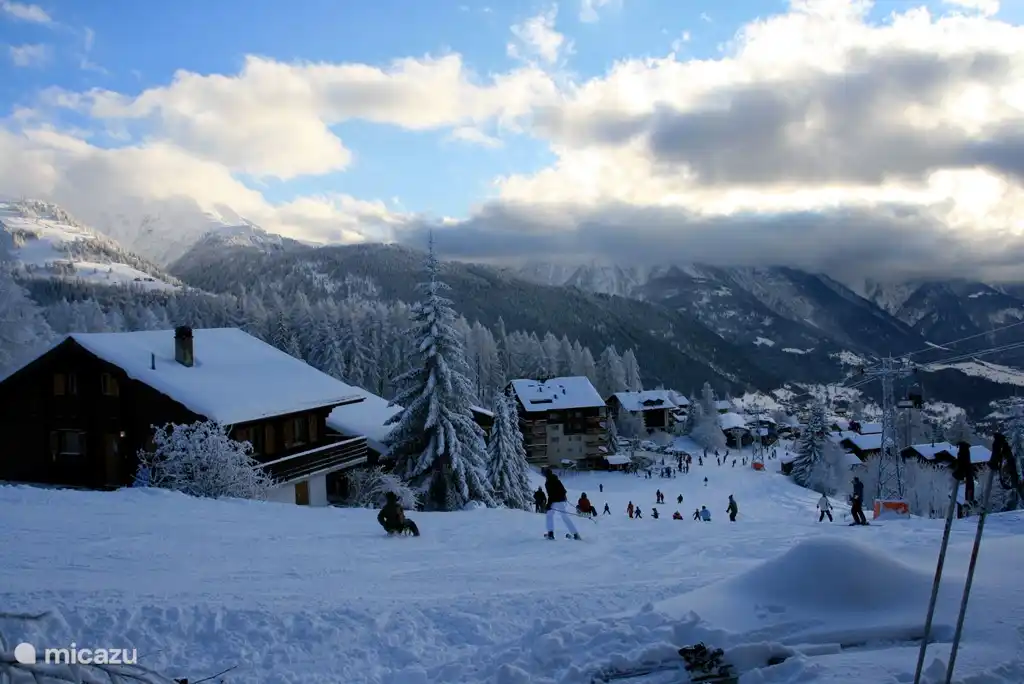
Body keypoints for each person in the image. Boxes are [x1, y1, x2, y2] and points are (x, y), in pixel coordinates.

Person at [542, 467, 580, 540]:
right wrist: (563, 497)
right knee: (565, 517)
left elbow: (551, 495)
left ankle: (550, 534)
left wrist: (548, 505)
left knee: (549, 516)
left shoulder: (548, 482)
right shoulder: (557, 480)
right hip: (561, 501)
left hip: (554, 501)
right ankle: (575, 534)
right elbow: (564, 491)